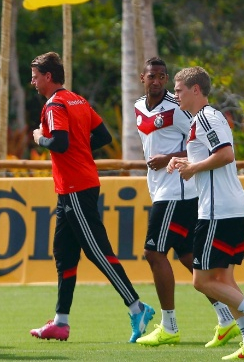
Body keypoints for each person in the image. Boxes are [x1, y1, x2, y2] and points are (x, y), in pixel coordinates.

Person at [26, 52, 155, 343]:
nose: (32, 81)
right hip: (72, 188)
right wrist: (79, 151)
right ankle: (60, 322)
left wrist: (38, 138)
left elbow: (59, 142)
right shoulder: (78, 100)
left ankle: (137, 307)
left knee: (97, 251)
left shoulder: (54, 104)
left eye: (35, 76)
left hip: (75, 188)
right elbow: (103, 137)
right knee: (64, 254)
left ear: (48, 76)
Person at [167, 66, 244, 360]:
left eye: (179, 90)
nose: (175, 95)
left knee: (202, 281)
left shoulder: (206, 117)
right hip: (226, 207)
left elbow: (226, 154)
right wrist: (182, 161)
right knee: (224, 279)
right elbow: (210, 154)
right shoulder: (204, 119)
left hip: (218, 211)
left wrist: (192, 168)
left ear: (195, 90)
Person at [133, 58, 238, 348]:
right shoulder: (139, 107)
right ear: (142, 78)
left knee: (153, 253)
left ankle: (169, 326)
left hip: (177, 190)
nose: (157, 81)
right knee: (188, 257)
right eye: (152, 76)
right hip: (160, 189)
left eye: (162, 76)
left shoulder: (177, 107)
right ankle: (226, 317)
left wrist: (168, 159)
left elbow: (199, 144)